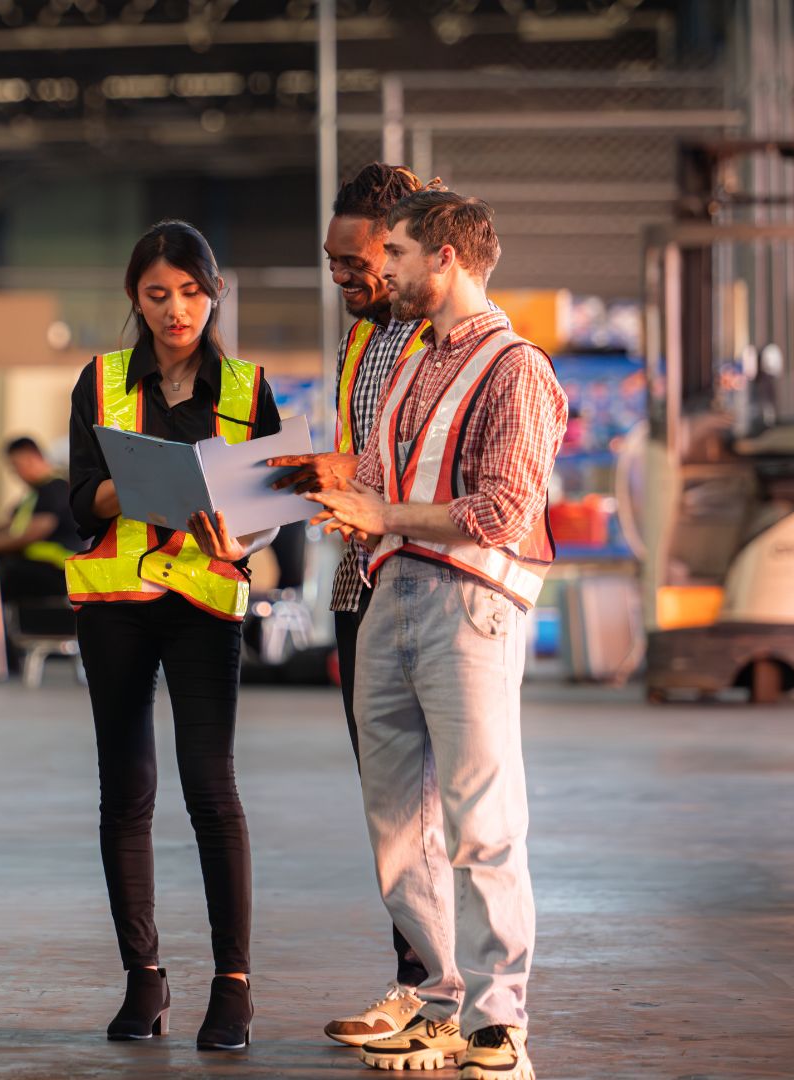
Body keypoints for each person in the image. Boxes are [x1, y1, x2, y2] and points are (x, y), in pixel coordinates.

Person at [305, 191, 566, 1079]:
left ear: (446, 258)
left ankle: (499, 1022)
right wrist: (328, 493)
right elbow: (380, 470)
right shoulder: (416, 361)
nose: (388, 270)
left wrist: (384, 511)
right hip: (391, 592)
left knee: (481, 818)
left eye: (402, 253)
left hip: (468, 602)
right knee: (399, 821)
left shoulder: (517, 368)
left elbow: (503, 509)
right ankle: (439, 998)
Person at [66, 220, 283, 1052]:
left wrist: (246, 537)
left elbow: (269, 516)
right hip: (117, 601)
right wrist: (134, 488)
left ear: (213, 293)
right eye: (157, 295)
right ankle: (143, 979)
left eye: (190, 292)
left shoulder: (247, 389)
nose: (174, 309)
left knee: (210, 786)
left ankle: (234, 984)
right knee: (125, 791)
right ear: (135, 299)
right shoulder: (101, 381)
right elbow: (77, 497)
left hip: (202, 600)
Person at [269, 163, 446, 1049]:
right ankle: (417, 982)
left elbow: (453, 472)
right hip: (360, 581)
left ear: (409, 249)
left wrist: (356, 476)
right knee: (391, 801)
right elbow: (361, 453)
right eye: (332, 262)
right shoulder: (363, 342)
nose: (342, 277)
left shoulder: (451, 341)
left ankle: (446, 994)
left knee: (438, 800)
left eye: (357, 261)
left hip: (434, 584)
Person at [0, 436, 83, 636]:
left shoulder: (55, 489)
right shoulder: (34, 494)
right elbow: (10, 526)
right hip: (41, 567)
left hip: (57, 570)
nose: (16, 473)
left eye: (16, 465)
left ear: (32, 458)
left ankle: (0, 650)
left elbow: (31, 533)